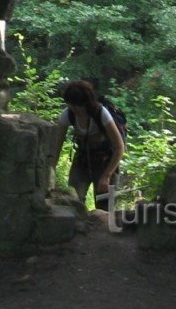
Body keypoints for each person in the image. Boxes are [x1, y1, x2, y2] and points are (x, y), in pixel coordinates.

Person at [46, 80, 125, 213]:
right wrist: (51, 170)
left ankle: (104, 231)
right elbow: (56, 146)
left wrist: (106, 176)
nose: (74, 109)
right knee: (74, 201)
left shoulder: (101, 114)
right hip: (83, 158)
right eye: (71, 105)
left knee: (105, 206)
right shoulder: (68, 114)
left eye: (77, 105)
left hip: (105, 161)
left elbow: (119, 147)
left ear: (85, 103)